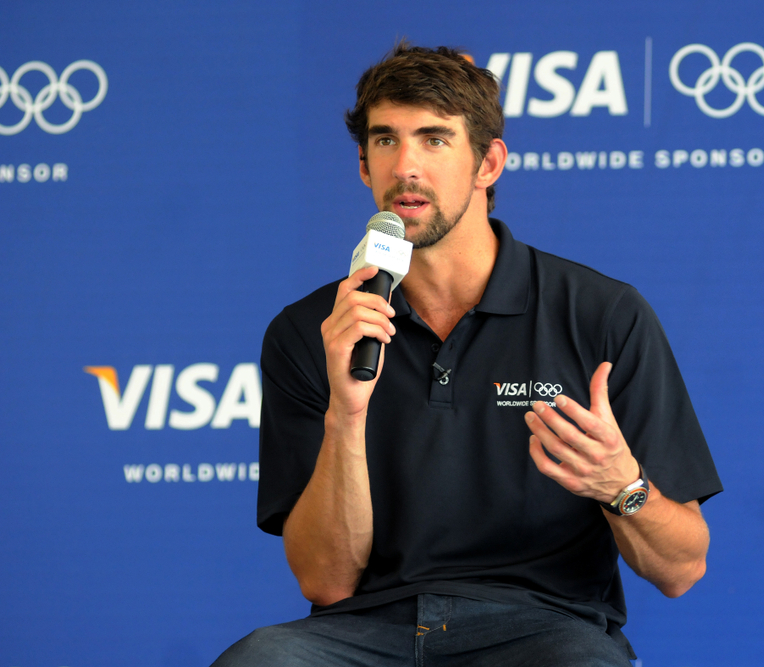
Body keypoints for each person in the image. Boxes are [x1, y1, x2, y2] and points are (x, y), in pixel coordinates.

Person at [213, 42, 722, 667]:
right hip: (364, 634)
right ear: (363, 165)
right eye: (385, 141)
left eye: (434, 140)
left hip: (543, 632)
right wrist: (345, 414)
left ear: (488, 163)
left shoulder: (602, 315)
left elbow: (682, 568)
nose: (406, 167)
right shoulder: (311, 330)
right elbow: (325, 582)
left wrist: (621, 485)